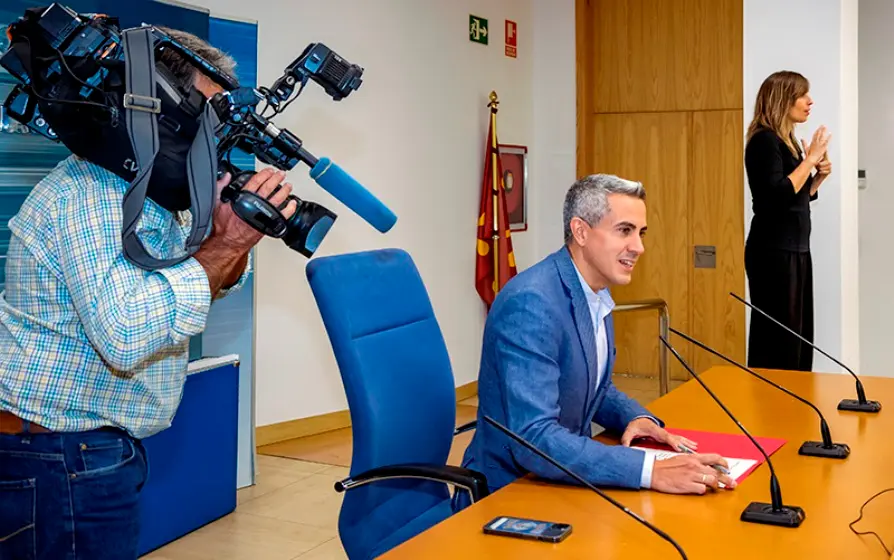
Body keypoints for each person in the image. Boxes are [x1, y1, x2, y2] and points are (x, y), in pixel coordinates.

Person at [0, 27, 297, 559]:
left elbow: (213, 282)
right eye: (207, 113)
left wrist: (235, 240)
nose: (215, 133)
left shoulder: (155, 190)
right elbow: (128, 333)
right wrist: (223, 245)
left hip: (94, 448)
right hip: (55, 454)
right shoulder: (92, 190)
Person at [459, 174, 736, 500]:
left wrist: (637, 417)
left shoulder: (594, 293)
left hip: (564, 474)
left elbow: (589, 386)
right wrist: (649, 469)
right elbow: (533, 438)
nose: (639, 247)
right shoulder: (532, 304)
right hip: (511, 490)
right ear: (581, 231)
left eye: (641, 232)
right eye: (624, 231)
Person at [744, 71, 832, 371]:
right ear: (783, 100)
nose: (810, 102)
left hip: (795, 250)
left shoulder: (788, 141)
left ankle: (793, 408)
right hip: (773, 252)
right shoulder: (764, 141)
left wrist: (817, 178)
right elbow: (774, 197)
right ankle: (770, 410)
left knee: (798, 337)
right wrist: (810, 160)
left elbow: (793, 200)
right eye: (802, 95)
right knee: (778, 340)